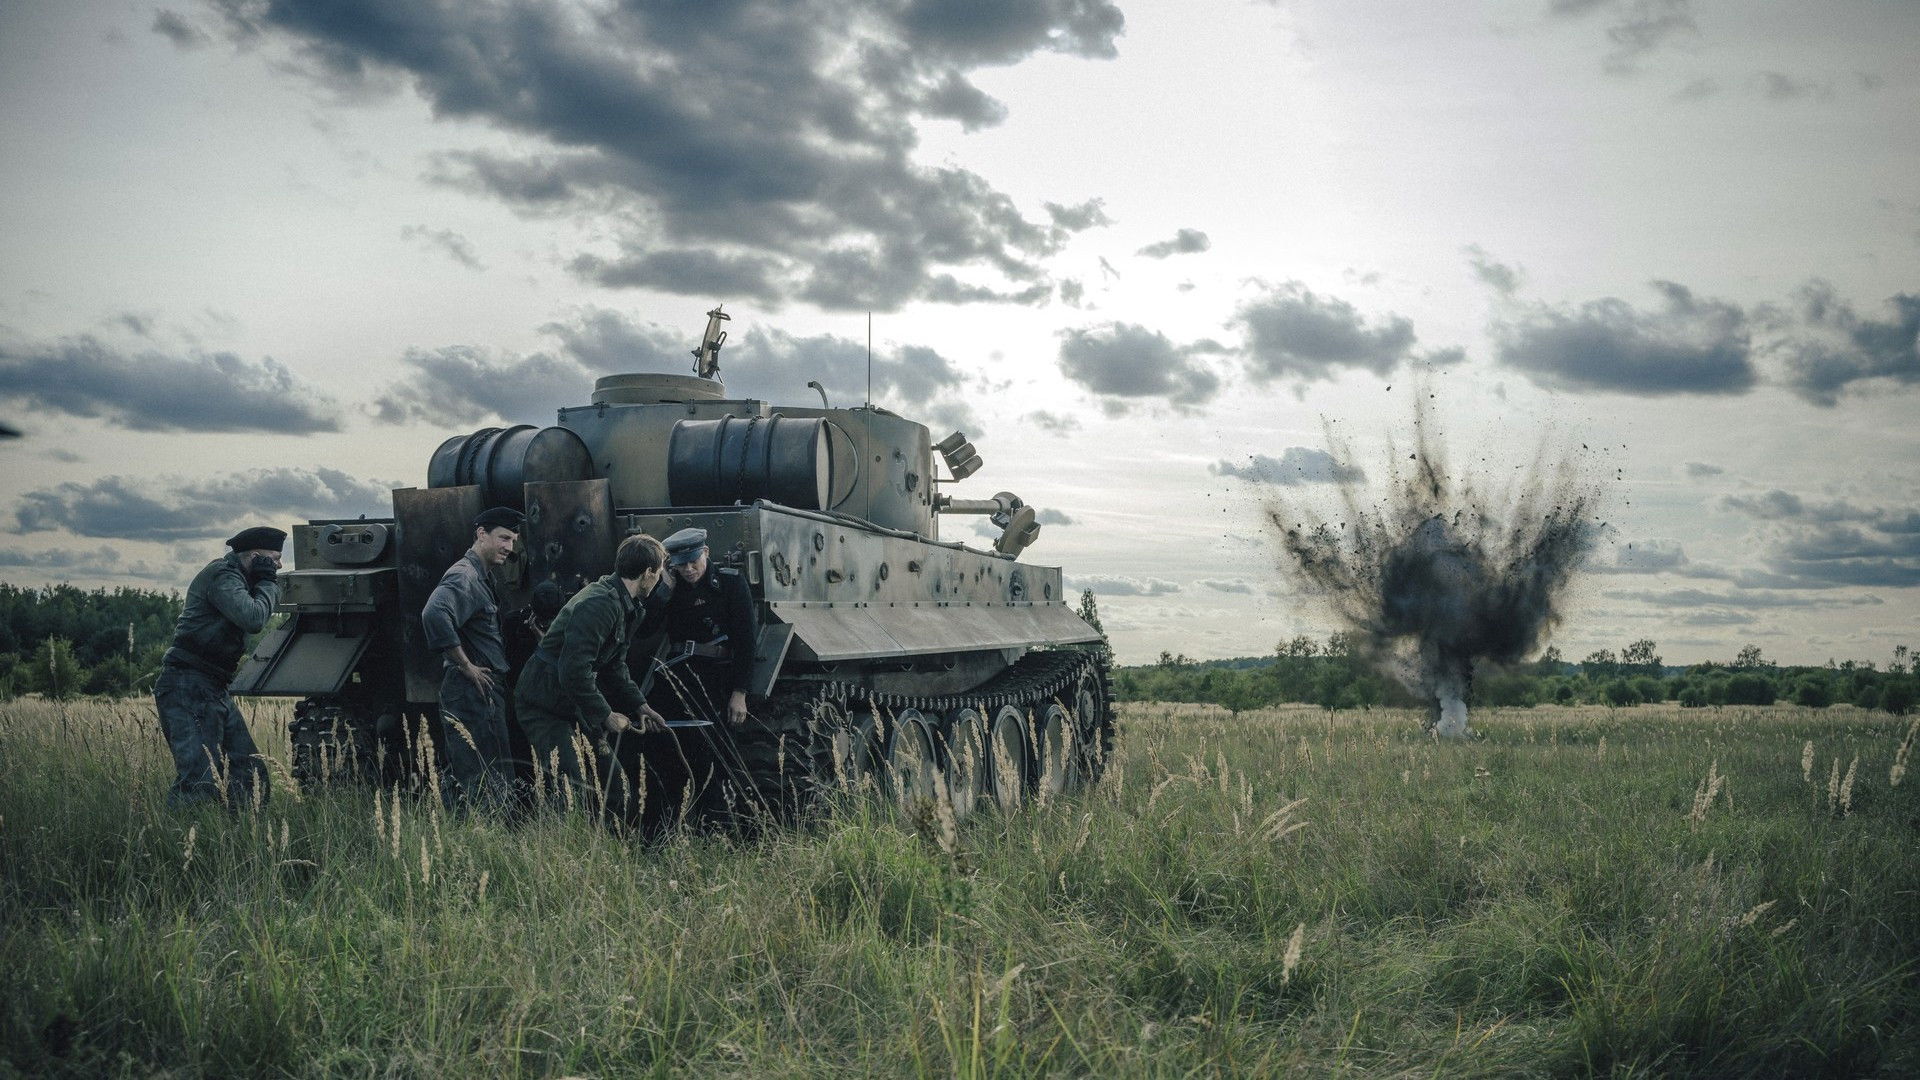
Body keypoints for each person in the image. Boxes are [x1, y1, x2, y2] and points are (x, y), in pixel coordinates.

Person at [514, 534, 668, 813]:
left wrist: (640, 705)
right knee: (570, 788)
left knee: (616, 788)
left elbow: (615, 665)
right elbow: (573, 671)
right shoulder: (600, 604)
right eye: (659, 573)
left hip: (574, 702)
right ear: (648, 573)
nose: (659, 579)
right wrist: (606, 715)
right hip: (543, 703)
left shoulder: (627, 605)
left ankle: (604, 840)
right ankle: (558, 839)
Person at [155, 526, 284, 810]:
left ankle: (242, 832)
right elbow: (253, 618)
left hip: (212, 686)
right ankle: (184, 835)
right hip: (188, 683)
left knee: (250, 774)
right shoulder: (222, 576)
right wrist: (268, 584)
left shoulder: (241, 579)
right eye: (274, 559)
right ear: (255, 557)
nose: (279, 565)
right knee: (199, 781)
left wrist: (263, 583)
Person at [420, 506, 522, 813]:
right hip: (471, 692)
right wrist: (466, 666)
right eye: (503, 538)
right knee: (480, 780)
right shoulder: (464, 574)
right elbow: (434, 613)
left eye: (513, 540)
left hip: (482, 691)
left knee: (491, 775)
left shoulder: (482, 576)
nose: (509, 547)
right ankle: (474, 833)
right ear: (481, 534)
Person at [654, 527, 758, 728]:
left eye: (693, 561)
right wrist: (665, 590)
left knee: (716, 739)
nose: (688, 569)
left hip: (718, 676)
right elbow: (646, 630)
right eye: (681, 564)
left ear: (706, 552)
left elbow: (746, 640)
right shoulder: (670, 586)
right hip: (677, 674)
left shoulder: (730, 582)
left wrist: (740, 692)